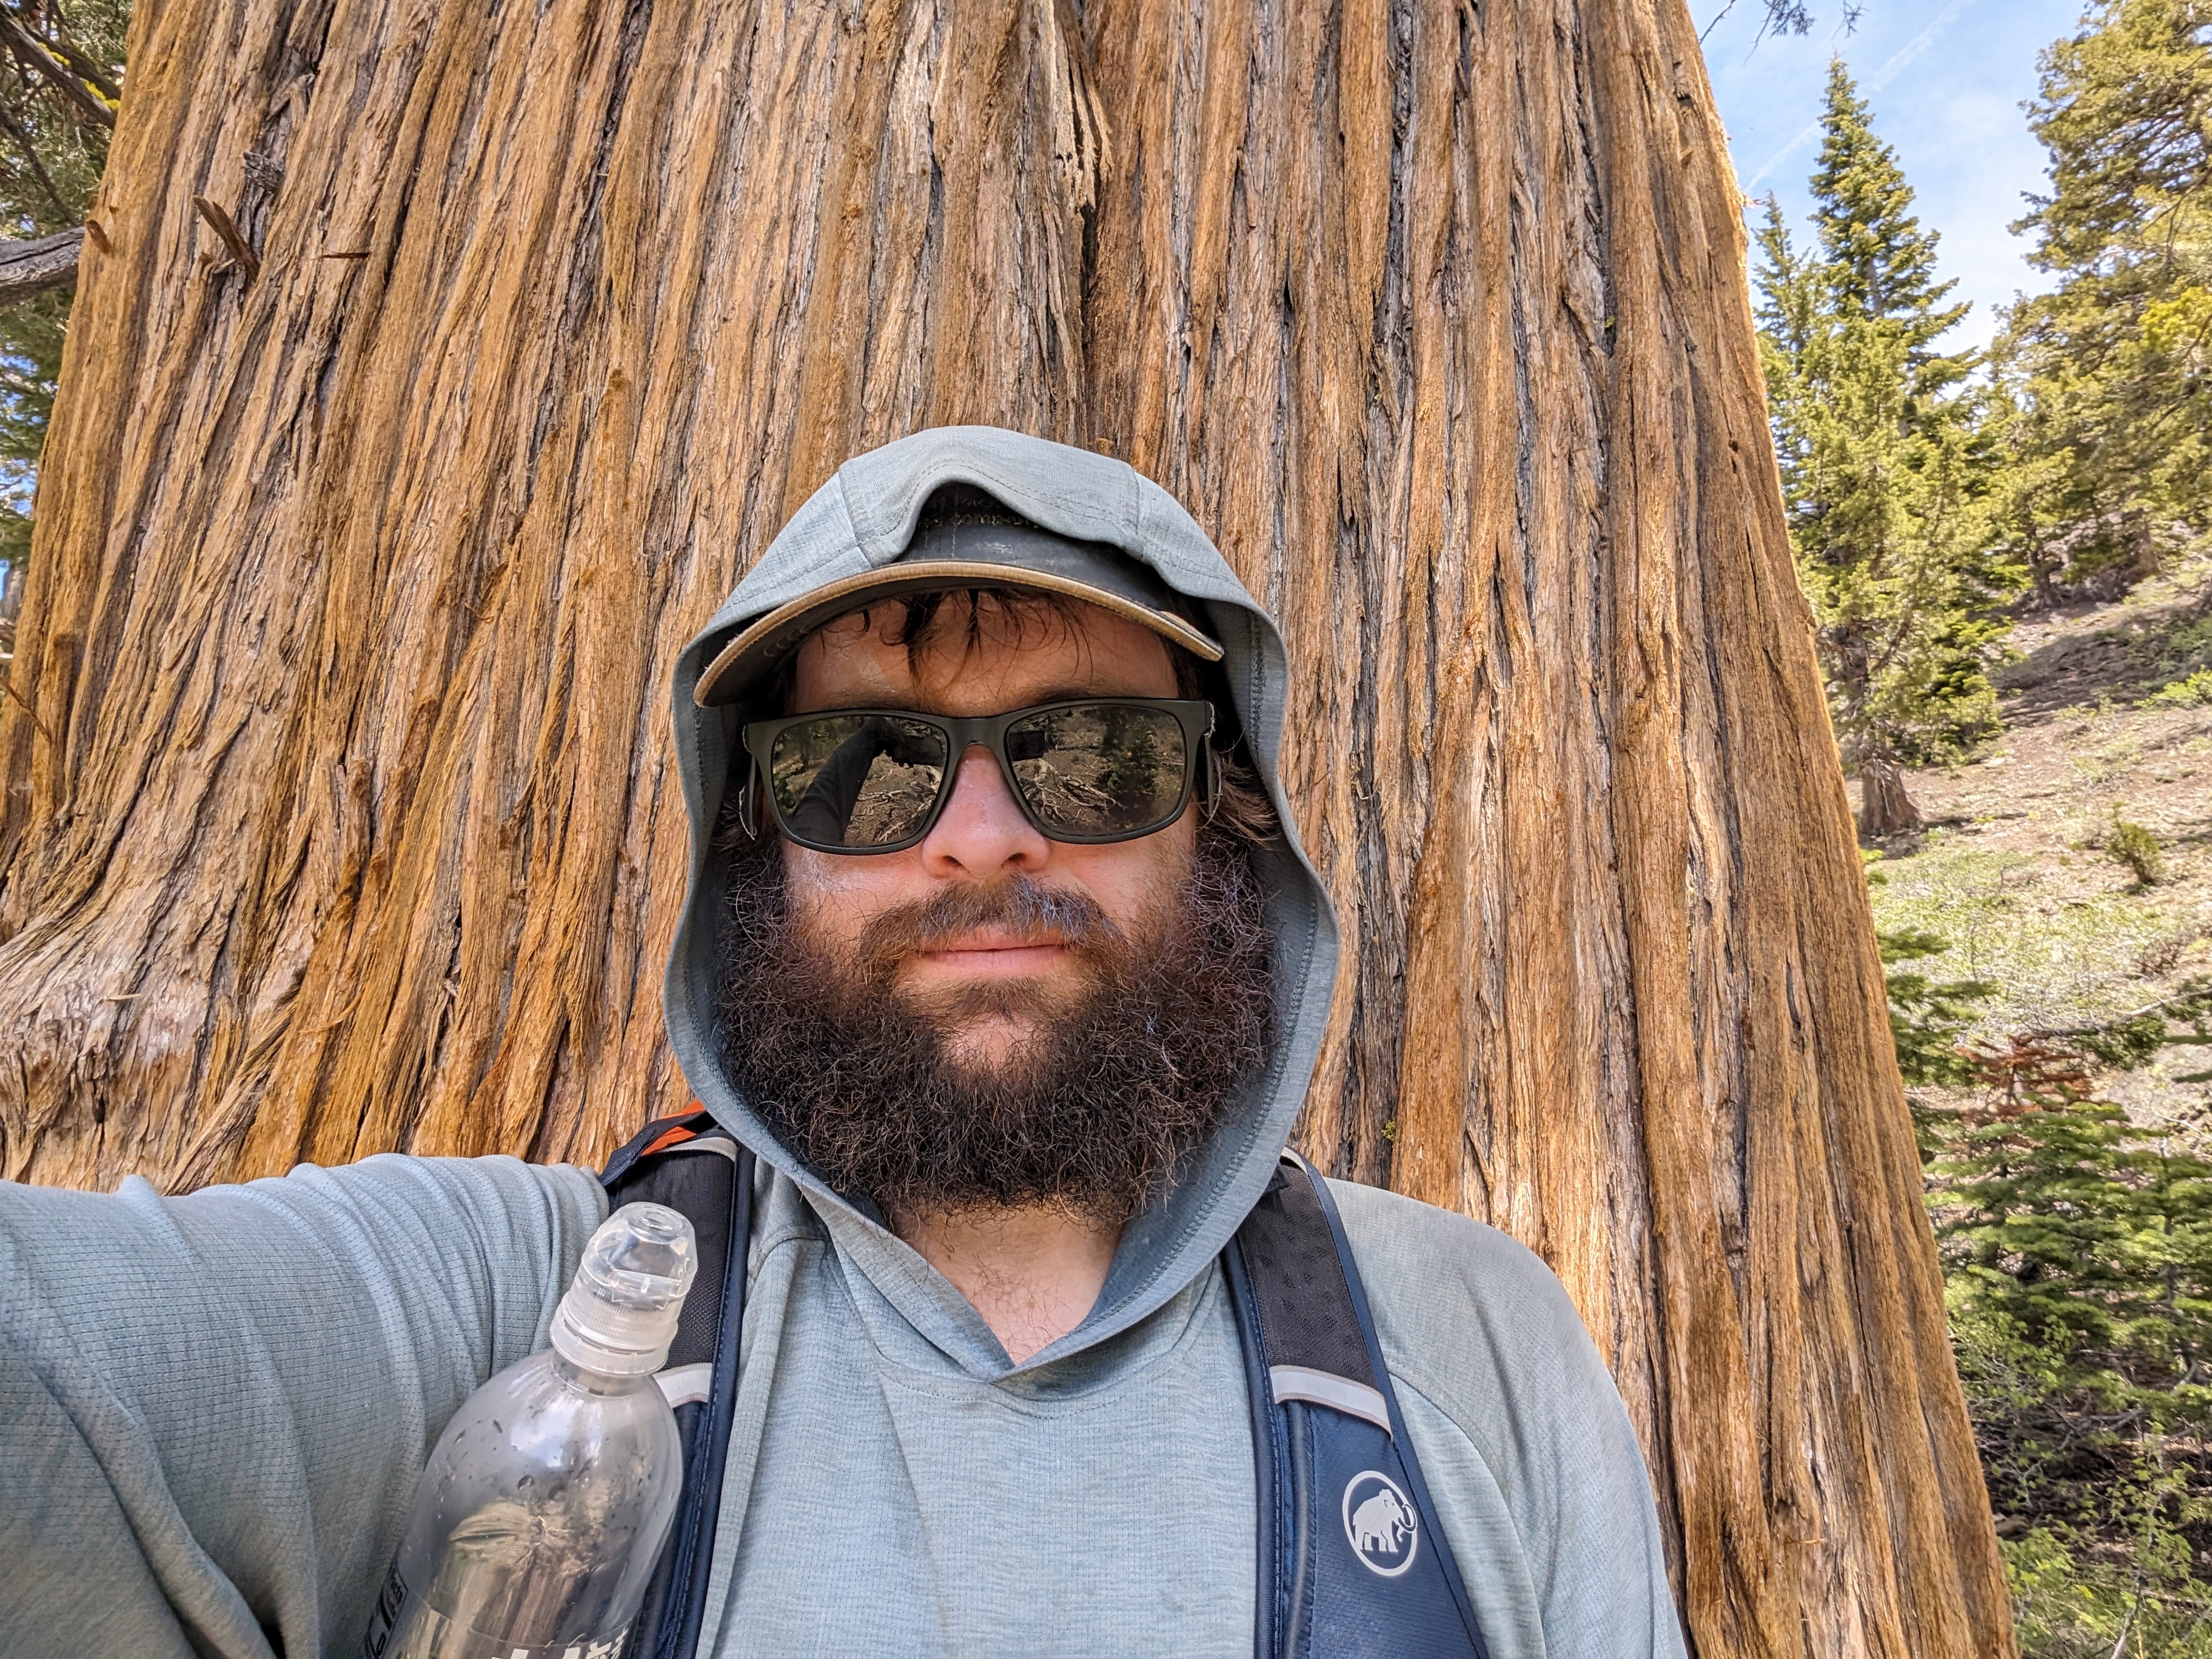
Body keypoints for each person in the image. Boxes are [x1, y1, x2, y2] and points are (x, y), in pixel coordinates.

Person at [0, 426, 1687, 1658]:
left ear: (1223, 816)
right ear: (760, 844)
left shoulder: (1472, 1347)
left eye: (1090, 755)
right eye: (864, 768)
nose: (976, 839)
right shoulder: (511, 1319)